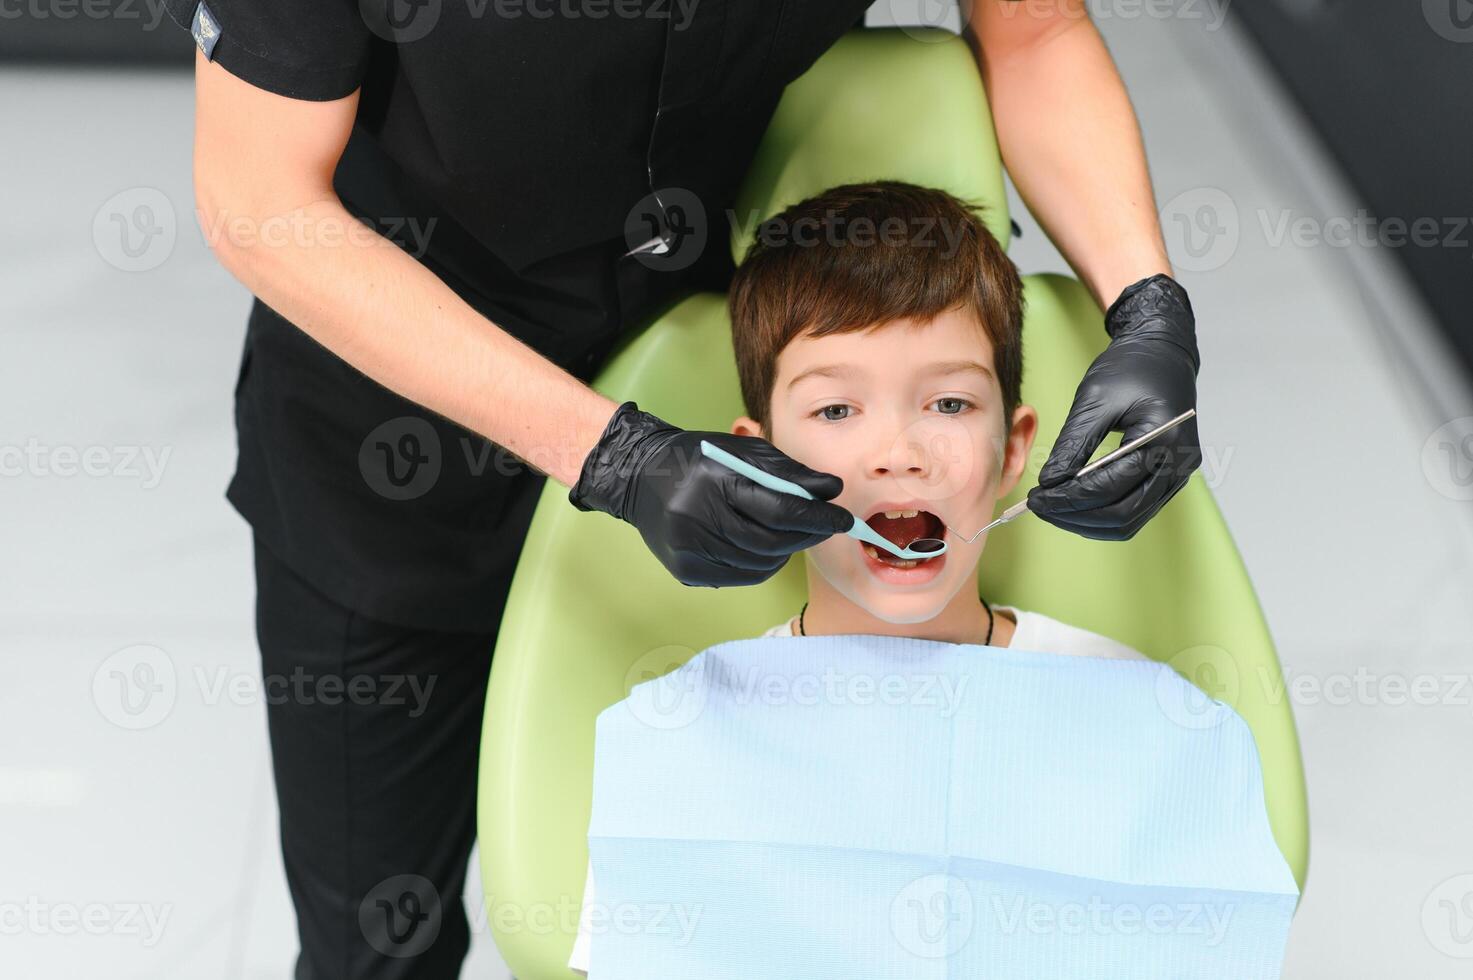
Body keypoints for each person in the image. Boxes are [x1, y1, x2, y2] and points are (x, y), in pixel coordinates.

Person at [164, 0, 1199, 975]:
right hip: (400, 417)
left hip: (723, 393)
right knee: (376, 938)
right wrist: (612, 454)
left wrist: (1148, 305)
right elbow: (260, 202)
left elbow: (1034, 32)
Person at [567, 179, 1155, 972]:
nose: (899, 451)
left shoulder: (1125, 709)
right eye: (836, 411)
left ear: (1014, 449)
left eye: (948, 404)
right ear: (758, 460)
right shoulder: (684, 741)